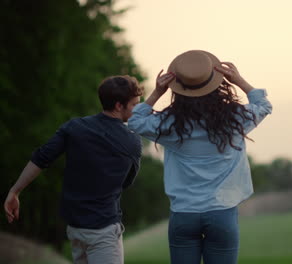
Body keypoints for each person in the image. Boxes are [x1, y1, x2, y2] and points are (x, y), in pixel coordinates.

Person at [128, 50, 272, 264]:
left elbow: (135, 121)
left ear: (178, 88)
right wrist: (239, 80)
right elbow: (263, 105)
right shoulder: (234, 119)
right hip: (222, 213)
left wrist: (157, 92)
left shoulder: (169, 124)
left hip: (184, 213)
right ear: (217, 84)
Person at [4, 75, 143, 264]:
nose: (138, 110)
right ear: (119, 106)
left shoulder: (75, 127)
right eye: (135, 104)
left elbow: (41, 158)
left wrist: (15, 191)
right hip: (103, 232)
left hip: (75, 229)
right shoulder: (132, 141)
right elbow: (126, 182)